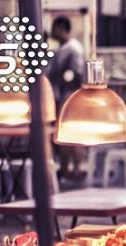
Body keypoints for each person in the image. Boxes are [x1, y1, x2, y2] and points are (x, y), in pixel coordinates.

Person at [48, 17, 86, 182]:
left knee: (72, 134)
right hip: (61, 97)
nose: (53, 32)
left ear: (62, 29)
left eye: (55, 28)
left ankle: (75, 169)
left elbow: (75, 74)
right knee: (63, 135)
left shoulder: (73, 49)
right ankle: (66, 169)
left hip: (69, 98)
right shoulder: (63, 48)